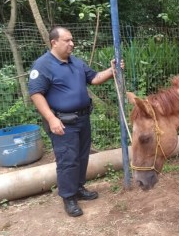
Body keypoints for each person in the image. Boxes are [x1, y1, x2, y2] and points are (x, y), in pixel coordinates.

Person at [28, 26, 123, 217]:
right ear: (54, 42)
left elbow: (95, 78)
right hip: (63, 122)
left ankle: (78, 188)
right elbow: (36, 94)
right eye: (67, 40)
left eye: (72, 40)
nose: (72, 44)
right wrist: (51, 118)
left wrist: (112, 70)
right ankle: (69, 197)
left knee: (81, 157)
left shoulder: (76, 62)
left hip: (82, 118)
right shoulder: (43, 65)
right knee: (67, 160)